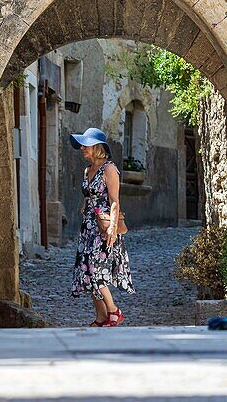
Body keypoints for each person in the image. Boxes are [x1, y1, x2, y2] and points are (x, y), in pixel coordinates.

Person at [69, 127, 134, 327]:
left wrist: (112, 229)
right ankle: (101, 317)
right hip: (88, 227)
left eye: (85, 145)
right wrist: (84, 207)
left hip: (104, 226)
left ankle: (114, 311)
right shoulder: (88, 170)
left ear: (97, 147)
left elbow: (115, 201)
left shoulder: (109, 169)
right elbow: (89, 195)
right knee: (87, 273)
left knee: (96, 270)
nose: (81, 148)